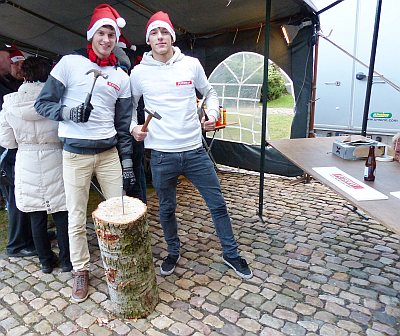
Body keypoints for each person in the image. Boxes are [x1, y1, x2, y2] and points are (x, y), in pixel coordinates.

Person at [130, 12, 252, 279]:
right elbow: (129, 106)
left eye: (164, 32)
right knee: (166, 209)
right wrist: (133, 127)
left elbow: (210, 93)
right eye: (154, 33)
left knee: (217, 204)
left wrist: (212, 114)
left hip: (195, 151)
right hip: (161, 155)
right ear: (148, 39)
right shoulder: (138, 73)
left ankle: (231, 254)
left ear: (172, 37)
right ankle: (173, 252)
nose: (160, 37)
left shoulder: (191, 65)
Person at [34, 4, 135, 302]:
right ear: (92, 34)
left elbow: (123, 123)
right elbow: (42, 104)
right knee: (76, 216)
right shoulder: (68, 63)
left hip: (108, 154)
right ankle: (81, 270)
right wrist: (68, 112)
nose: (106, 39)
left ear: (116, 39)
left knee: (119, 213)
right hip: (75, 154)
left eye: (111, 35)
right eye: (102, 33)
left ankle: (120, 262)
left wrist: (127, 160)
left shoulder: (122, 76)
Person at [0, 56, 71, 273]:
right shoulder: (57, 100)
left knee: (36, 213)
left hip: (26, 158)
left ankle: (45, 261)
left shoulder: (10, 102)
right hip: (56, 157)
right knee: (61, 211)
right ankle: (68, 260)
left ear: (24, 74)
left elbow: (7, 141)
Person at [0, 44, 36, 257]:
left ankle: (30, 235)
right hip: (5, 151)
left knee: (24, 194)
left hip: (14, 150)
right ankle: (16, 245)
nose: (20, 66)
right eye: (14, 62)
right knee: (15, 197)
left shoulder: (11, 83)